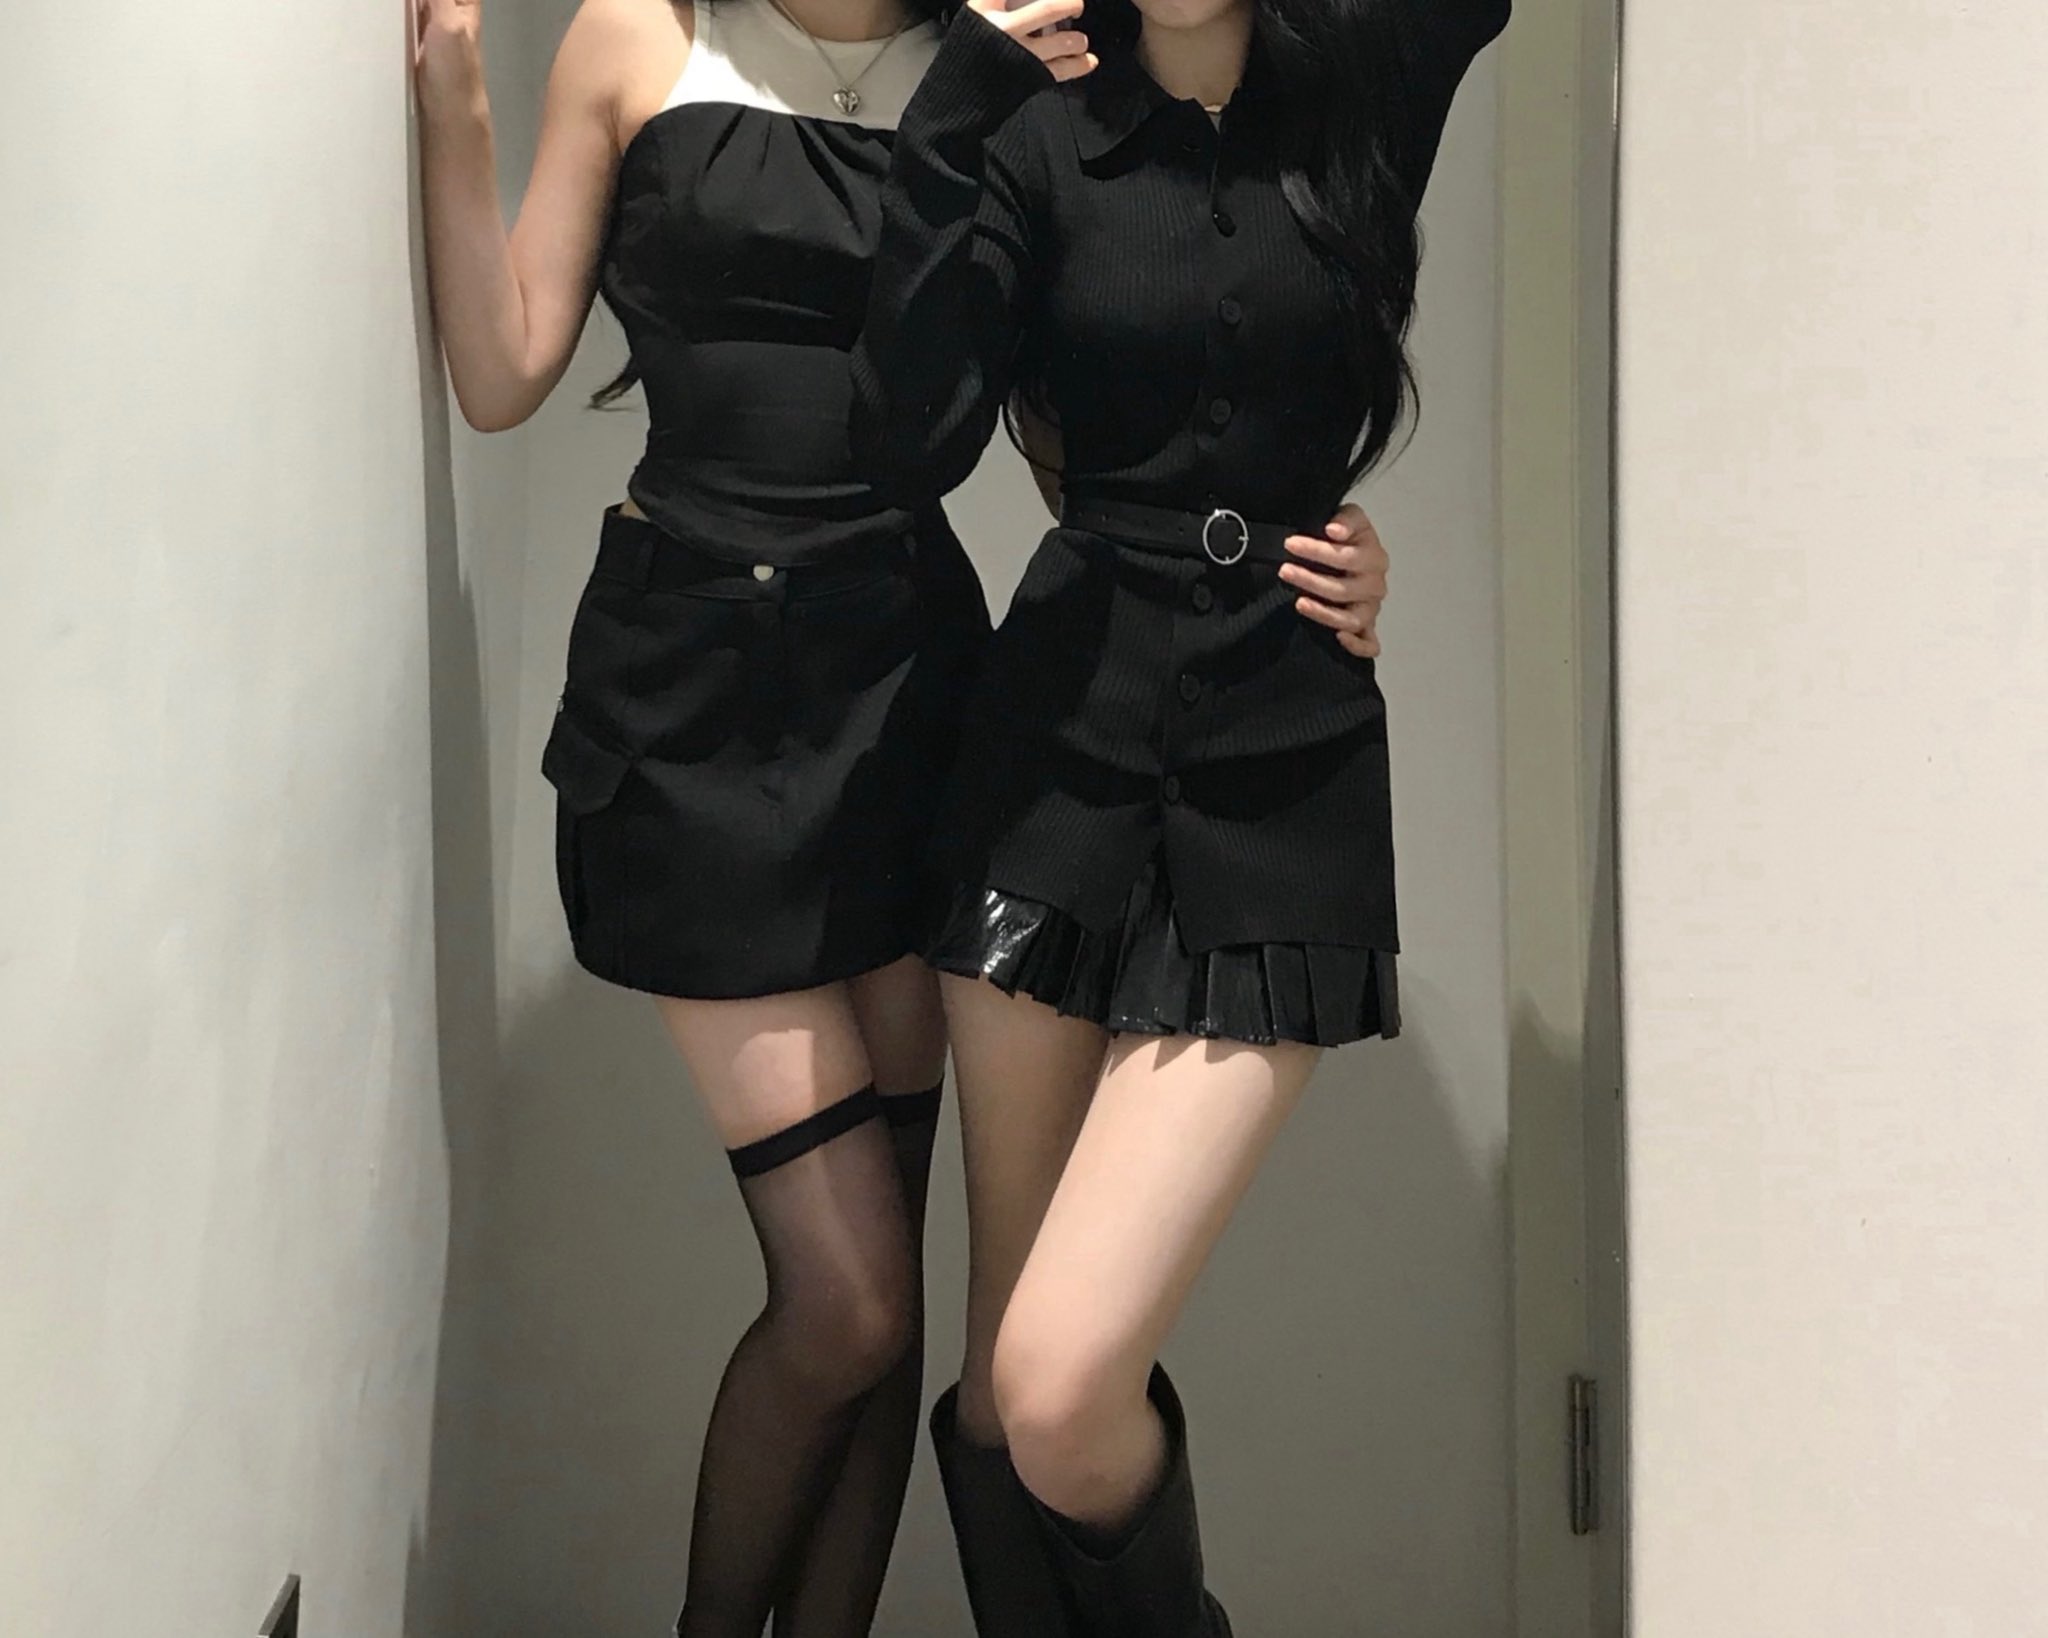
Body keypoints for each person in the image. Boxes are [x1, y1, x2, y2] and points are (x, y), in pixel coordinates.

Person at [413, 0, 1393, 1631]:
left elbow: (1109, 414)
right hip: (694, 700)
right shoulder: (637, 36)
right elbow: (509, 365)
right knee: (850, 1298)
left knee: (911, 1317)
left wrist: (1319, 542)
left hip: (909, 702)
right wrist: (454, 105)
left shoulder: (1007, 62)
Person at [850, 0, 1508, 1630]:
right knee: (1002, 1397)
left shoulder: (1365, 88)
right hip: (1050, 758)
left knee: (1063, 1381)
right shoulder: (1032, 124)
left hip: (1283, 765)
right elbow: (910, 436)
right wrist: (955, 105)